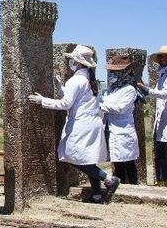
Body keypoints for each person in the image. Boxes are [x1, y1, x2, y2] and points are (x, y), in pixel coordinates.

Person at [27, 45, 119, 203]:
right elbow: (78, 99)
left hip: (81, 124)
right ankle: (96, 194)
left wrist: (43, 101)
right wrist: (62, 86)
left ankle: (109, 179)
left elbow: (65, 104)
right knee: (88, 159)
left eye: (72, 60)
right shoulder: (91, 80)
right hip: (93, 123)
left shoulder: (76, 80)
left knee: (71, 156)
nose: (71, 62)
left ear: (78, 62)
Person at [138, 45, 167, 185]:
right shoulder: (164, 74)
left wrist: (146, 90)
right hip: (164, 116)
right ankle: (163, 179)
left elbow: (164, 94)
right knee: (160, 150)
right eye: (160, 56)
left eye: (165, 56)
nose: (162, 59)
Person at [100, 54, 141, 184]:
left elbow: (120, 108)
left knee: (128, 162)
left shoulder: (129, 90)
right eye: (111, 71)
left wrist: (101, 106)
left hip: (123, 130)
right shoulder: (112, 89)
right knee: (117, 163)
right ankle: (120, 188)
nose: (112, 74)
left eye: (116, 71)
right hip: (112, 129)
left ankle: (133, 188)